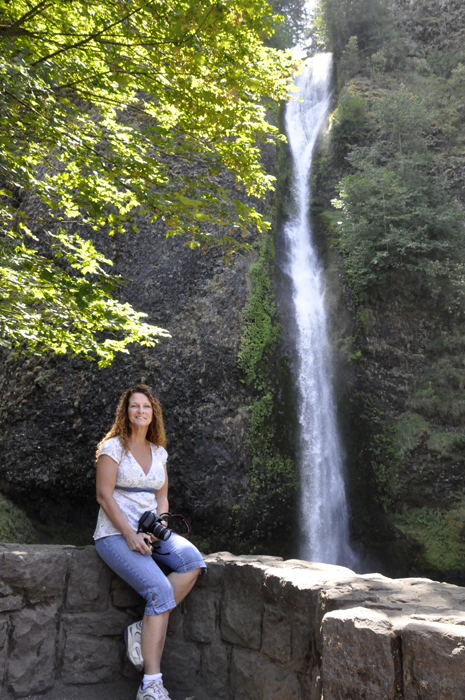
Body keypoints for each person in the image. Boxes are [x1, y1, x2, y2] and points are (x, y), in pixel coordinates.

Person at [93, 384, 206, 700]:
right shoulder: (112, 448)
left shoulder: (159, 452)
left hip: (151, 531)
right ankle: (151, 684)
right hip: (115, 535)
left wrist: (161, 524)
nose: (140, 411)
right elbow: (104, 495)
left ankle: (143, 628)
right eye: (134, 406)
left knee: (193, 561)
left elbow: (162, 495)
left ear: (153, 412)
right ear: (125, 411)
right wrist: (130, 534)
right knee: (159, 591)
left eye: (145, 406)